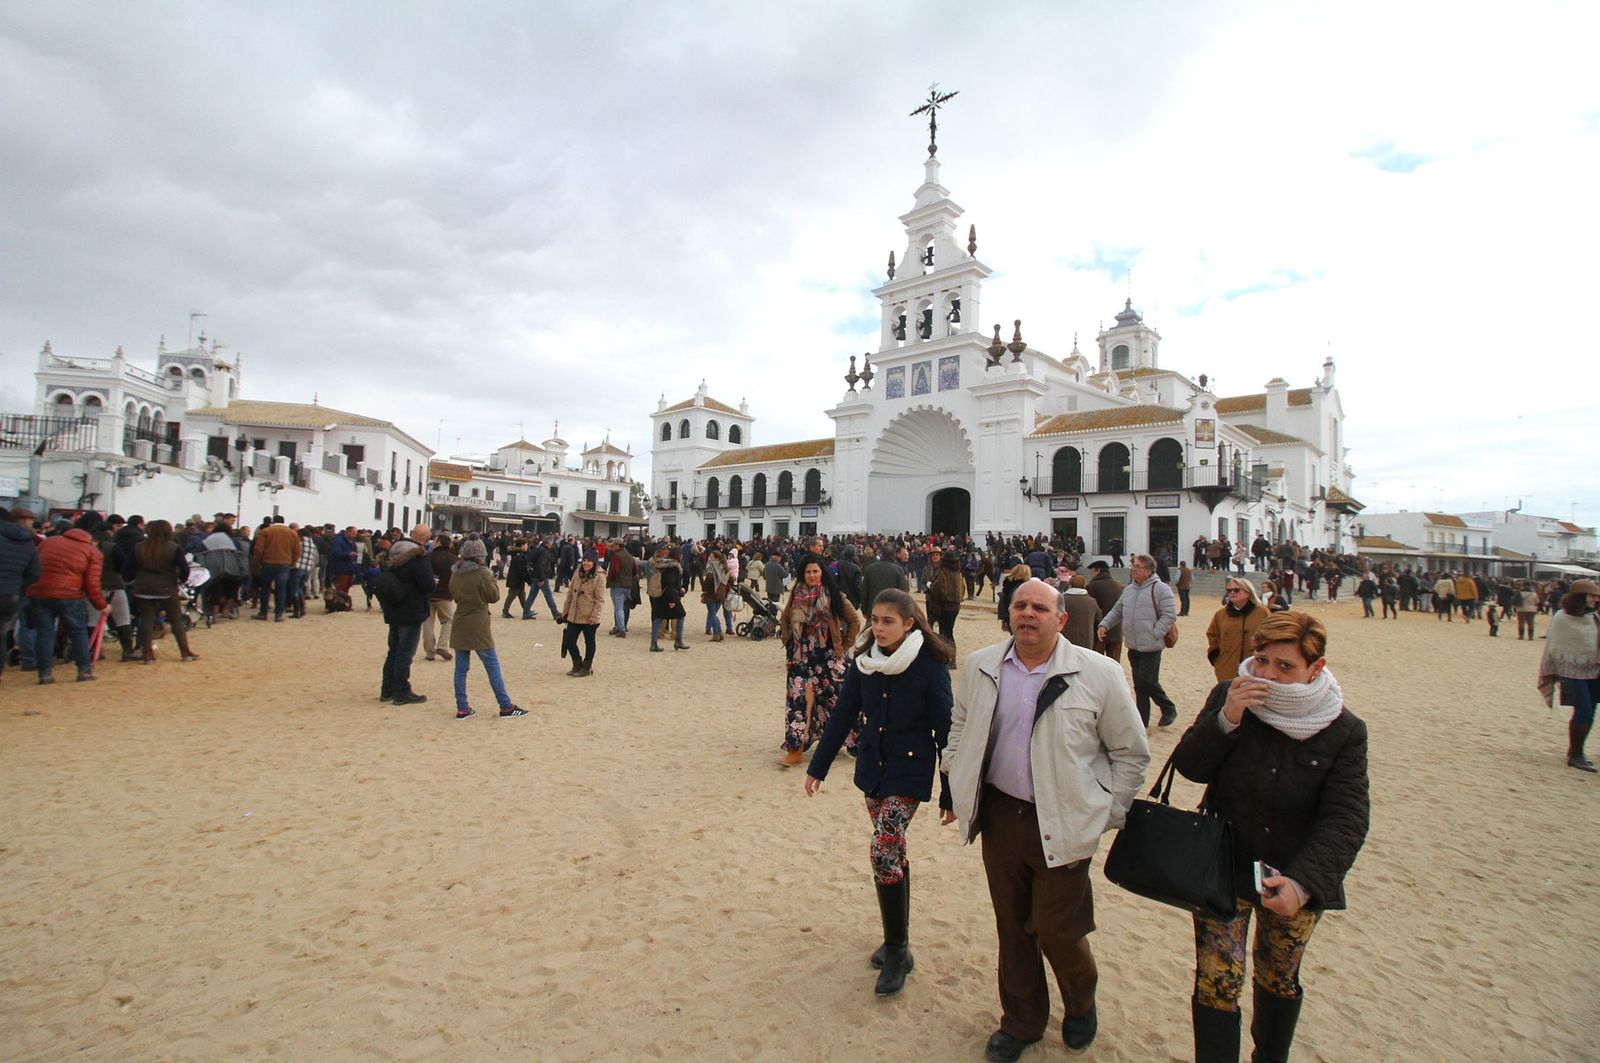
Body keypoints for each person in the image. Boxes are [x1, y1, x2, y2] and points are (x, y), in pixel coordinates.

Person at [942, 579, 1149, 1060]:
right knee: (1012, 926)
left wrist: (1105, 813)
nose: (1028, 614)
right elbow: (960, 721)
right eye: (1020, 605)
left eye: (1040, 607)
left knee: (1058, 927)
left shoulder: (1098, 673)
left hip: (1066, 818)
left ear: (1061, 618)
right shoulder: (982, 665)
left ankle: (1080, 1003)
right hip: (1000, 816)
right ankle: (1021, 1022)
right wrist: (955, 762)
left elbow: (1130, 752)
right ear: (1008, 614)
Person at [1173, 611, 1370, 1063]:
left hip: (1293, 874)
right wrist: (1227, 719)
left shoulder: (1344, 729)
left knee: (1278, 976)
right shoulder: (1230, 696)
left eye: (1285, 667)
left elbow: (1348, 817)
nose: (1268, 675)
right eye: (1261, 661)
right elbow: (1190, 766)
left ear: (1314, 669)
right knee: (1216, 980)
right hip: (1224, 866)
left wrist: (1302, 883)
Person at [803, 588, 954, 996]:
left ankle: (896, 948)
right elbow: (843, 714)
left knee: (883, 849)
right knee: (894, 851)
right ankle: (898, 943)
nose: (880, 627)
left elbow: (946, 730)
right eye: (876, 619)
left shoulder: (930, 664)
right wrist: (819, 766)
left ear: (909, 623)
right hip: (873, 769)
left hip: (910, 770)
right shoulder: (864, 661)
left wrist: (949, 791)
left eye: (889, 621)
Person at [779, 556, 861, 765]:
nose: (812, 575)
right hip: (800, 657)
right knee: (797, 701)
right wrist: (788, 641)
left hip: (828, 656)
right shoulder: (796, 596)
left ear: (822, 573)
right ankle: (795, 749)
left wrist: (843, 645)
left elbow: (854, 621)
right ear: (802, 575)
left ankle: (854, 741)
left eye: (815, 571)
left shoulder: (834, 596)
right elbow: (785, 619)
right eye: (808, 572)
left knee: (840, 700)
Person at [447, 538, 526, 719]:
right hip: (478, 623)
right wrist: (491, 579)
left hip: (460, 621)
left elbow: (453, 593)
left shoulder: (455, 572)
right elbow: (493, 597)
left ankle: (462, 707)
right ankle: (505, 706)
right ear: (480, 555)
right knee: (492, 665)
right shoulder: (482, 573)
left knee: (460, 668)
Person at [1098, 554, 1179, 727]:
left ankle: (1168, 707)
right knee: (1139, 685)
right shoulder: (1129, 590)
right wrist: (1104, 624)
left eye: (1137, 567)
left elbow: (1169, 614)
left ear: (1149, 571)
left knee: (1147, 680)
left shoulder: (1161, 589)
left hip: (1152, 645)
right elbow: (1117, 610)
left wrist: (1155, 632)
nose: (1133, 569)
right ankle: (1142, 721)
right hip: (1133, 644)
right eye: (1133, 566)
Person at [25, 518, 107, 684]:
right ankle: (84, 671)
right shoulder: (92, 551)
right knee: (78, 632)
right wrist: (102, 605)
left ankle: (45, 674)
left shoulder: (48, 542)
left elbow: (32, 565)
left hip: (39, 592)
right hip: (69, 595)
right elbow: (92, 585)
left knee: (45, 634)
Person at [1536, 578, 1600, 772]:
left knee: (1591, 711)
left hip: (1594, 669)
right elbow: (1556, 644)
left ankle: (1578, 751)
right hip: (1570, 671)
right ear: (1579, 597)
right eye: (1591, 596)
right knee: (1584, 710)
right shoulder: (1562, 617)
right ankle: (1575, 754)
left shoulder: (1596, 617)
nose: (1594, 600)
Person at [376, 525, 435, 705]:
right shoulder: (418, 556)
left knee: (393, 649)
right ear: (425, 538)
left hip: (393, 605)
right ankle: (401, 691)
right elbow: (427, 585)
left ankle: (387, 689)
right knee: (405, 651)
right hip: (410, 607)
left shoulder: (394, 550)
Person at [130, 519, 200, 664]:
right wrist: (181, 580)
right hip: (167, 586)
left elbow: (128, 568)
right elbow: (184, 569)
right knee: (176, 620)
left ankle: (147, 653)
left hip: (143, 586)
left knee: (146, 620)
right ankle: (185, 652)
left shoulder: (139, 547)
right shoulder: (173, 547)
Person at [1206, 578, 1268, 683]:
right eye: (1229, 591)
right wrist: (1215, 656)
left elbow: (1270, 635)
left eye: (1236, 590)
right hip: (1227, 667)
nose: (1232, 593)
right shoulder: (1221, 614)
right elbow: (1212, 635)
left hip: (1254, 667)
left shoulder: (1262, 613)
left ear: (1248, 592)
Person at [561, 548, 606, 677]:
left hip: (589, 615)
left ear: (594, 563)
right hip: (574, 614)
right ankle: (577, 663)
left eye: (589, 561)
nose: (586, 563)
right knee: (569, 640)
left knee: (589, 642)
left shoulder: (599, 576)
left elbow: (600, 599)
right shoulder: (577, 572)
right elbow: (570, 593)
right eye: (584, 560)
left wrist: (595, 616)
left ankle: (587, 666)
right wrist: (565, 611)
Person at [251, 515, 300, 622]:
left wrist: (260, 561)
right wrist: (291, 562)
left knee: (265, 588)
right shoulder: (292, 533)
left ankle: (263, 613)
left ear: (273, 522)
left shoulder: (266, 532)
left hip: (268, 563)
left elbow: (258, 549)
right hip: (284, 564)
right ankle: (279, 614)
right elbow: (297, 551)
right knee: (281, 589)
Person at [924, 545, 963, 666]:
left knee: (945, 633)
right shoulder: (958, 573)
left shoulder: (943, 573)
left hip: (944, 606)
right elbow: (963, 589)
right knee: (949, 631)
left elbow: (938, 589)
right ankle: (951, 658)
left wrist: (930, 586)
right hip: (955, 606)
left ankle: (948, 658)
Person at [648, 546, 689, 652]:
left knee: (658, 617)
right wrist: (672, 600)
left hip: (660, 594)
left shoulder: (663, 564)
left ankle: (653, 643)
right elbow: (670, 584)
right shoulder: (673, 567)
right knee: (681, 615)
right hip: (669, 595)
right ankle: (678, 640)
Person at [422, 535, 455, 662]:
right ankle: (442, 645)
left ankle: (430, 652)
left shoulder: (428, 558)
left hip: (429, 594)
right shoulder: (453, 559)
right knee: (447, 621)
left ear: (438, 543)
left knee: (427, 623)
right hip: (445, 595)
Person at [1085, 560, 1124, 661]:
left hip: (1098, 632)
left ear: (1098, 570)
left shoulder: (1091, 586)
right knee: (1115, 664)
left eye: (1092, 571)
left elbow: (1090, 609)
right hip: (1117, 631)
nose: (1091, 574)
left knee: (1098, 665)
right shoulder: (1120, 586)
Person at [1058, 575, 1102, 651]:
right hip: (1086, 640)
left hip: (1064, 640)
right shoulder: (1091, 601)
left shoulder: (1062, 600)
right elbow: (1098, 619)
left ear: (1070, 584)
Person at [607, 540, 638, 637]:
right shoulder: (629, 556)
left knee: (618, 608)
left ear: (617, 545)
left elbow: (614, 570)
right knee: (622, 607)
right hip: (628, 585)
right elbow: (634, 571)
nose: (612, 547)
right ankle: (620, 626)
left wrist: (610, 579)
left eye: (613, 545)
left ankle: (621, 629)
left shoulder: (616, 556)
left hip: (618, 585)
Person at [701, 548, 730, 641]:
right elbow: (731, 579)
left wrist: (704, 588)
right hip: (722, 592)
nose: (710, 557)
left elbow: (709, 577)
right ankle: (719, 632)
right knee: (714, 613)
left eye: (711, 556)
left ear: (715, 557)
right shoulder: (725, 566)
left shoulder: (711, 565)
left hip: (712, 592)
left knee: (712, 614)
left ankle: (717, 634)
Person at [996, 563, 1032, 633]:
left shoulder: (1008, 587)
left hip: (1009, 617)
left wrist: (1004, 619)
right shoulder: (1023, 588)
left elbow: (1004, 603)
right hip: (1020, 618)